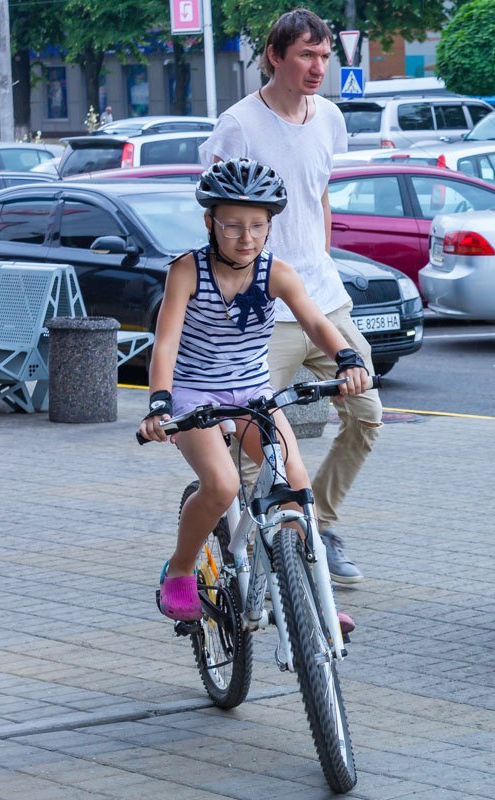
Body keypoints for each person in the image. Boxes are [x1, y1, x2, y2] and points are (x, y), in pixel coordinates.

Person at [139, 158, 371, 622]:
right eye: (233, 226)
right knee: (222, 486)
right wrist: (159, 404)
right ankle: (181, 569)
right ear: (210, 223)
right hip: (193, 394)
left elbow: (315, 320)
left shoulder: (276, 273)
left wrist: (347, 358)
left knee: (296, 489)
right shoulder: (187, 270)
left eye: (258, 226)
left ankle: (316, 599)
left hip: (253, 393)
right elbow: (165, 344)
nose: (247, 237)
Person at [200, 8, 382, 585]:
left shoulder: (328, 117)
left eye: (325, 57)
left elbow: (318, 196)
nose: (317, 68)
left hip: (323, 299)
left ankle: (318, 524)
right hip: (263, 307)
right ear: (274, 57)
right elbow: (217, 213)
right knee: (253, 443)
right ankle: (244, 548)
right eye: (306, 55)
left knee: (367, 414)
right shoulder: (239, 125)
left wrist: (320, 261)